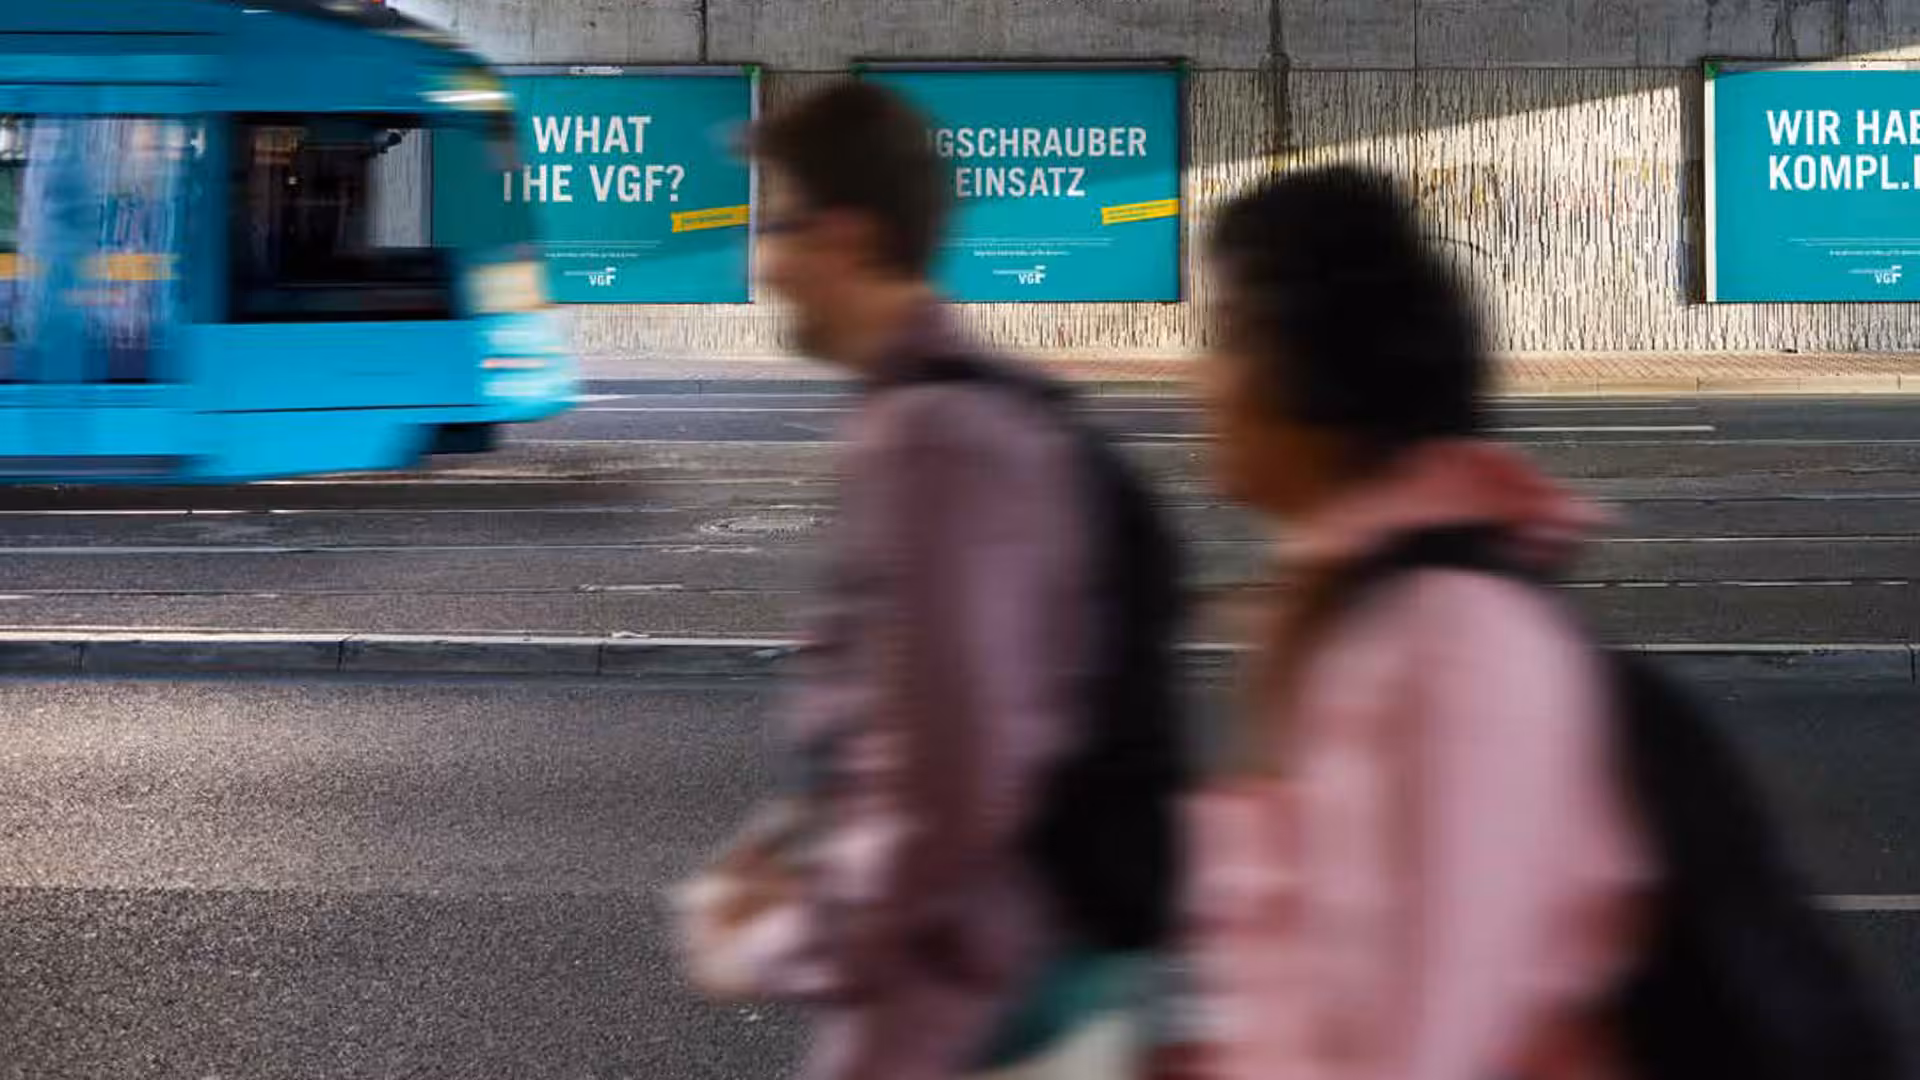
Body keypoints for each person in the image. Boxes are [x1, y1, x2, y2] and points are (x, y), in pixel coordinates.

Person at [1184, 166, 1653, 1080]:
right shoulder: (1346, 619)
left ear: (1310, 367)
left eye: (1224, 336)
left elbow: (1411, 1048)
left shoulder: (1445, 649)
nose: (1201, 380)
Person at [745, 81, 1104, 1080]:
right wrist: (799, 835)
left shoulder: (932, 438)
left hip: (952, 1004)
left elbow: (955, 780)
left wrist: (805, 937)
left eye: (777, 224)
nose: (763, 260)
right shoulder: (934, 409)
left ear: (848, 237)